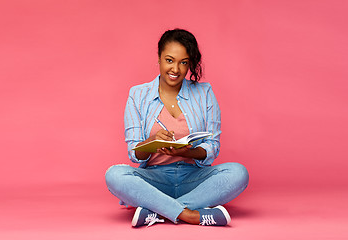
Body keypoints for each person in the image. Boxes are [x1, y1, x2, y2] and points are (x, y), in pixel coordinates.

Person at [105, 29, 249, 227]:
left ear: (189, 63)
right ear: (159, 58)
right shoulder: (137, 95)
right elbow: (133, 153)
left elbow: (213, 146)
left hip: (193, 178)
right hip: (154, 179)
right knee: (114, 175)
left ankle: (158, 211)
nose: (176, 69)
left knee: (239, 173)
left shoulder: (205, 93)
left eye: (183, 62)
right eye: (170, 60)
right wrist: (151, 143)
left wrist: (189, 152)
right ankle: (191, 215)